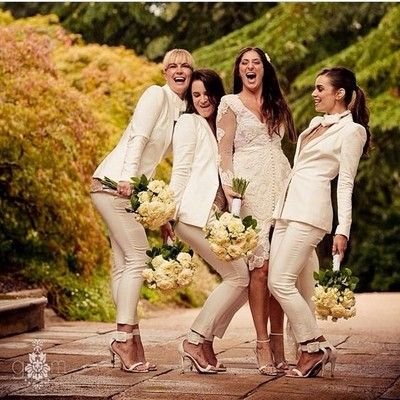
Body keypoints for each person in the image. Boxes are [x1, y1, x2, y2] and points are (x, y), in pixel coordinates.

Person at [90, 49, 194, 373]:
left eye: (185, 66)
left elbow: (159, 166)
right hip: (113, 183)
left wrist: (161, 215)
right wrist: (125, 177)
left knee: (123, 265)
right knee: (138, 257)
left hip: (129, 189)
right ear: (164, 72)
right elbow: (138, 137)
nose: (179, 70)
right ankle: (123, 339)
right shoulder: (155, 95)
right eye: (172, 66)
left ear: (192, 73)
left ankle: (130, 340)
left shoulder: (182, 112)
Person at [269, 66, 370, 378]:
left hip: (311, 212)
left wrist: (343, 230)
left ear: (339, 93)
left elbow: (345, 184)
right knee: (293, 285)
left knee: (279, 282)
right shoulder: (315, 123)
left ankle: (314, 348)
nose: (314, 94)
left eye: (321, 89)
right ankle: (305, 350)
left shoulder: (353, 131)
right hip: (287, 210)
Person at [161, 69, 249, 374]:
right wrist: (166, 214)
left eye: (207, 93)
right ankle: (196, 339)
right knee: (239, 277)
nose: (202, 100)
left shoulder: (220, 126)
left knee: (243, 281)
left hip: (213, 215)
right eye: (195, 95)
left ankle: (206, 340)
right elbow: (180, 171)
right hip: (191, 214)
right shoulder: (188, 123)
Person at [217, 47, 296, 375]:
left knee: (279, 270)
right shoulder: (230, 104)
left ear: (265, 69)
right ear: (239, 70)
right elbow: (223, 152)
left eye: (256, 63)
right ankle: (262, 342)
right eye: (244, 63)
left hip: (282, 183)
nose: (250, 68)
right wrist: (228, 188)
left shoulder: (277, 103)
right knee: (259, 269)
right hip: (249, 189)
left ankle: (279, 343)